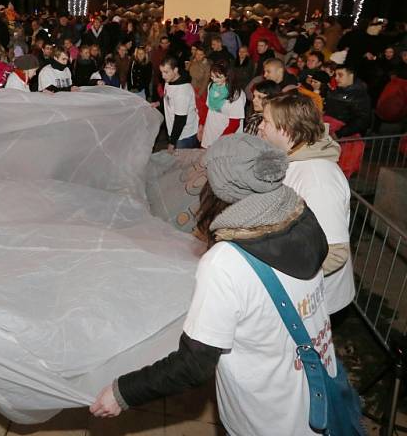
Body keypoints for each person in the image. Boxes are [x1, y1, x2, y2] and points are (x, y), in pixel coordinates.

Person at [91, 134, 336, 436]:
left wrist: (121, 393)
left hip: (267, 417)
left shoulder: (227, 262)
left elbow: (193, 365)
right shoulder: (304, 218)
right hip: (316, 396)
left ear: (221, 188)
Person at [260, 92, 355, 314]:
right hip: (301, 296)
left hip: (319, 305)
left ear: (287, 129)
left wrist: (276, 277)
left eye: (266, 121)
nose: (261, 127)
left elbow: (334, 253)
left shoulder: (318, 180)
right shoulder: (292, 159)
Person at [155, 56, 199, 150]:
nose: (163, 76)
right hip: (175, 132)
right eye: (161, 72)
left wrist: (172, 142)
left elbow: (180, 120)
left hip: (184, 136)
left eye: (166, 72)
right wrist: (159, 103)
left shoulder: (182, 92)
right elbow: (167, 96)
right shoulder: (170, 80)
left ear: (175, 70)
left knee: (182, 163)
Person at [200, 61, 246, 148]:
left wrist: (219, 142)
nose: (214, 80)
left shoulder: (236, 95)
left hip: (227, 138)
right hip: (209, 133)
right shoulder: (211, 86)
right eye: (212, 76)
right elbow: (207, 107)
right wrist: (201, 124)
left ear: (227, 76)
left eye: (218, 77)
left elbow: (235, 124)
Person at [324, 64, 371, 138]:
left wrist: (339, 133)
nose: (336, 78)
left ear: (351, 75)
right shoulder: (336, 91)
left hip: (346, 137)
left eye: (340, 75)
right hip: (331, 132)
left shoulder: (360, 95)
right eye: (335, 75)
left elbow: (362, 120)